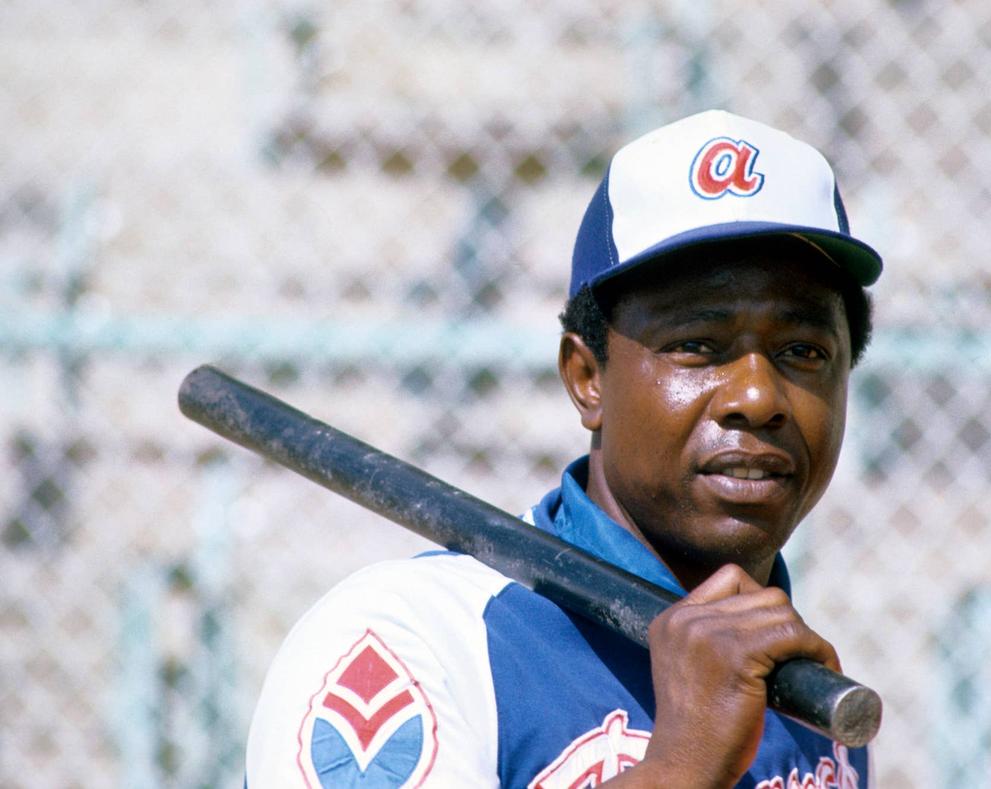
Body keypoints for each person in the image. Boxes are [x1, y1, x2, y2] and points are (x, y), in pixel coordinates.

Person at [245, 109, 882, 788]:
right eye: (698, 345)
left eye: (803, 351)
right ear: (587, 378)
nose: (757, 396)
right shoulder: (412, 636)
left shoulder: (811, 695)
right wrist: (680, 767)